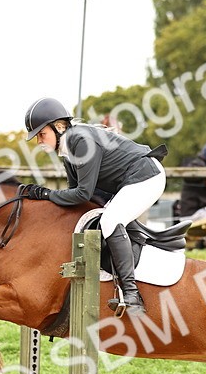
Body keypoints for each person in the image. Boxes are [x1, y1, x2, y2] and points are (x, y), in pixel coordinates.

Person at [18, 97, 170, 316]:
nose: (40, 141)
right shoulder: (67, 150)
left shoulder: (80, 141)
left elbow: (82, 193)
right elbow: (76, 197)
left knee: (110, 220)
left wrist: (45, 193)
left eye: (42, 134)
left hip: (146, 176)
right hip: (129, 180)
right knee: (101, 216)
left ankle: (131, 294)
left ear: (59, 126)